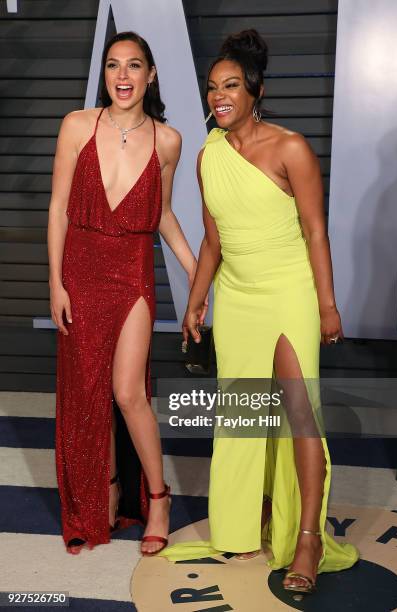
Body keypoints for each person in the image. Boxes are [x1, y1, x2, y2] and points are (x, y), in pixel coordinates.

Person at [159, 29, 359, 593]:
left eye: (230, 86)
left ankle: (308, 541)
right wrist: (197, 303)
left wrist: (327, 305)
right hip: (238, 296)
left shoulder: (290, 147)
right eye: (211, 87)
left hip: (289, 291)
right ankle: (246, 525)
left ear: (256, 92)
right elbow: (212, 243)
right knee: (245, 418)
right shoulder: (208, 157)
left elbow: (316, 231)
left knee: (299, 416)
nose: (218, 96)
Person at [48, 31, 197, 556]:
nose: (123, 76)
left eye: (134, 66)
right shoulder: (77, 126)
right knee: (87, 393)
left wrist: (198, 275)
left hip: (131, 273)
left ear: (151, 75)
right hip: (80, 272)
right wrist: (55, 283)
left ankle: (158, 498)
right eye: (114, 65)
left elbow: (162, 216)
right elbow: (59, 207)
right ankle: (103, 496)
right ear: (105, 74)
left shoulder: (169, 140)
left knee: (127, 392)